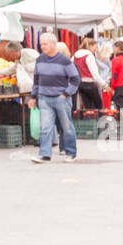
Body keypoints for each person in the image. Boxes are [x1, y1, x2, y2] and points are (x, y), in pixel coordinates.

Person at [28, 31, 79, 164]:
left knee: (66, 126)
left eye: (45, 44)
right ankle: (44, 154)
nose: (42, 46)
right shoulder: (39, 60)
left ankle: (71, 153)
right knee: (45, 127)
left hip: (61, 99)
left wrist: (66, 94)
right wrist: (33, 97)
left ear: (53, 44)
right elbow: (36, 80)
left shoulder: (65, 61)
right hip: (44, 98)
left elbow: (75, 79)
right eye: (41, 44)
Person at [72, 37, 105, 112]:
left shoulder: (75, 56)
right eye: (95, 47)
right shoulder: (89, 56)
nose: (96, 50)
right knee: (99, 107)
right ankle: (98, 122)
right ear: (90, 46)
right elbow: (95, 75)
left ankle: (90, 122)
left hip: (80, 85)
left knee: (88, 109)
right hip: (90, 84)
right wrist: (105, 85)